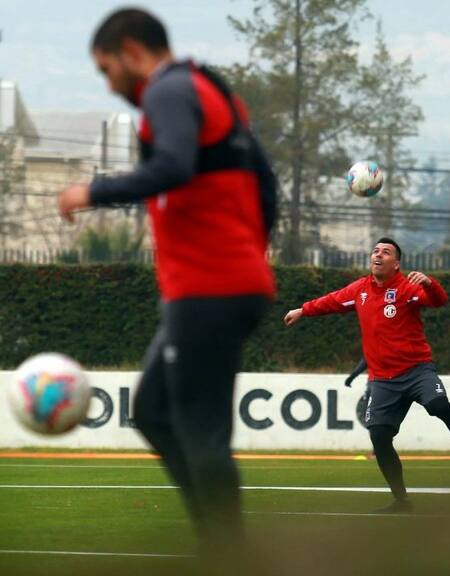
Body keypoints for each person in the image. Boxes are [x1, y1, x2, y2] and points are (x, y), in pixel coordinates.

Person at [57, 8, 276, 554]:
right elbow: (266, 184)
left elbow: (174, 165)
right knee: (153, 409)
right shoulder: (211, 89)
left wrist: (93, 192)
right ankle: (220, 544)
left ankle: (230, 556)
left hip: (210, 288)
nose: (111, 86)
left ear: (131, 51)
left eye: (107, 71)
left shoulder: (167, 91)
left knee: (201, 432)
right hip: (226, 281)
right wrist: (250, 248)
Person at [284, 237, 450, 513]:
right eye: (375, 251)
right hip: (382, 380)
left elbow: (437, 301)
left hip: (416, 370)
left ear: (396, 263)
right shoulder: (360, 289)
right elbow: (332, 302)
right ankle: (401, 501)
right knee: (379, 437)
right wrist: (303, 310)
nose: (378, 255)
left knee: (438, 405)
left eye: (385, 252)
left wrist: (430, 284)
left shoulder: (406, 288)